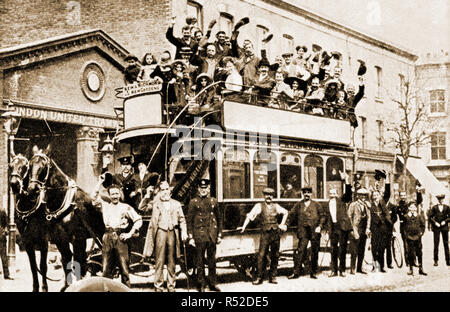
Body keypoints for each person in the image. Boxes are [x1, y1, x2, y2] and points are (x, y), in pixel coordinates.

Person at [91, 180, 143, 288]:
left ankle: (126, 290)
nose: (115, 196)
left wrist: (129, 234)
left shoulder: (125, 207)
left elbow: (138, 220)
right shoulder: (104, 206)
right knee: (106, 270)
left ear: (119, 194)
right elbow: (93, 197)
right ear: (109, 195)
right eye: (112, 194)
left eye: (116, 193)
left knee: (124, 270)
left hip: (121, 239)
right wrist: (99, 182)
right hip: (107, 238)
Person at [239, 187, 288, 285]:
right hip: (265, 233)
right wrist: (243, 226)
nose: (268, 197)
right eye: (266, 195)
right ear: (264, 196)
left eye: (270, 195)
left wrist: (282, 224)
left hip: (275, 233)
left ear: (273, 196)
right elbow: (250, 216)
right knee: (261, 255)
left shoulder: (276, 206)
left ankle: (273, 277)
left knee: (275, 255)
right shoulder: (259, 206)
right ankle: (259, 277)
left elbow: (286, 212)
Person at [147, 181, 188, 292]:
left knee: (172, 261)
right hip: (160, 233)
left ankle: (171, 286)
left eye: (166, 189)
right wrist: (147, 195)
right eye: (162, 190)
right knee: (159, 261)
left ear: (170, 190)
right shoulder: (156, 204)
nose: (165, 192)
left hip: (173, 233)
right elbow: (141, 207)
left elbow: (182, 220)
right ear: (159, 192)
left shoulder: (176, 204)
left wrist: (184, 232)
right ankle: (158, 287)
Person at [186, 179, 223, 292]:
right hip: (199, 235)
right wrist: (191, 236)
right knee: (200, 261)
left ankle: (213, 283)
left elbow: (219, 219)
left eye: (205, 188)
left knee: (212, 261)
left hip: (211, 235)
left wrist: (219, 234)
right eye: (201, 188)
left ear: (208, 189)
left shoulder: (213, 201)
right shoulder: (193, 202)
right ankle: (201, 284)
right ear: (198, 189)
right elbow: (189, 221)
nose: (203, 190)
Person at [287, 186, 326, 279]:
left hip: (314, 231)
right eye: (304, 192)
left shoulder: (317, 205)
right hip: (303, 232)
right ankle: (296, 272)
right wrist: (286, 224)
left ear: (311, 194)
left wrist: (319, 226)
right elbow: (291, 215)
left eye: (308, 192)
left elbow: (323, 216)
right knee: (300, 251)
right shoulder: (299, 205)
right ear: (302, 194)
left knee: (314, 252)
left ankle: (314, 272)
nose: (306, 194)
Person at [326, 172, 353, 277]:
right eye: (330, 193)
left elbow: (348, 194)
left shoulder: (341, 201)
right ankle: (334, 270)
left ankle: (342, 270)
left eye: (334, 193)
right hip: (332, 228)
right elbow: (326, 216)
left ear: (337, 194)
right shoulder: (327, 203)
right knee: (333, 250)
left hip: (342, 228)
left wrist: (347, 180)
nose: (332, 195)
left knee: (342, 249)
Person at [369, 172, 392, 273]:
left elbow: (387, 193)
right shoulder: (370, 205)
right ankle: (375, 266)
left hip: (383, 228)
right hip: (374, 229)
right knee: (374, 248)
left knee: (382, 248)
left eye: (378, 194)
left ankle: (381, 267)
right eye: (375, 194)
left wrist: (386, 179)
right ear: (373, 196)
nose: (376, 196)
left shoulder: (383, 203)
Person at [348, 187, 372, 274]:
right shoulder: (353, 205)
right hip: (356, 230)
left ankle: (359, 267)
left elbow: (369, 217)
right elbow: (349, 217)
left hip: (363, 230)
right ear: (358, 196)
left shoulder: (367, 206)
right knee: (354, 250)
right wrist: (353, 230)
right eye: (361, 195)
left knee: (362, 250)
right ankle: (352, 268)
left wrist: (368, 228)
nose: (363, 197)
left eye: (364, 195)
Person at [404, 202, 427, 276]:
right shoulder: (406, 217)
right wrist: (406, 235)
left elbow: (423, 225)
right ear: (409, 208)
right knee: (410, 253)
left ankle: (421, 268)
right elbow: (403, 227)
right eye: (411, 207)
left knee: (419, 252)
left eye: (414, 207)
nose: (413, 209)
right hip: (409, 237)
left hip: (418, 237)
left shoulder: (419, 216)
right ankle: (411, 269)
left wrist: (421, 233)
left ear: (416, 208)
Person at [428, 194, 449, 266]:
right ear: (438, 200)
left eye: (442, 199)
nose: (441, 201)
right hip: (436, 228)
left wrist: (445, 221)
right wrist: (435, 223)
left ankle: (448, 260)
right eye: (440, 200)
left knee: (446, 244)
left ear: (443, 200)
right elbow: (430, 217)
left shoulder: (447, 207)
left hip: (444, 227)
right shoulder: (434, 208)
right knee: (436, 244)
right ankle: (435, 260)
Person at [0, 207, 11, 280]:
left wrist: (5, 230)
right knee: (4, 256)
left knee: (4, 256)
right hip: (1, 235)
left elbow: (6, 223)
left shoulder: (2, 211)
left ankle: (6, 274)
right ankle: (6, 274)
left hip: (1, 237)